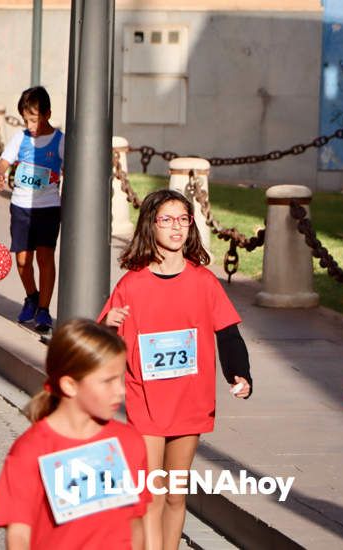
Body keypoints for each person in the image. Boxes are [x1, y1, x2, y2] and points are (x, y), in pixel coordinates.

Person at [98, 189, 253, 550]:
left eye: (183, 219)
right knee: (150, 495)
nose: (176, 227)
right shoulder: (132, 284)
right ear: (150, 226)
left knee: (174, 495)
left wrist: (239, 373)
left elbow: (228, 332)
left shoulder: (203, 282)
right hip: (146, 402)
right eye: (166, 219)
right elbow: (100, 345)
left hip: (190, 401)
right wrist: (107, 323)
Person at [0, 319, 149, 549]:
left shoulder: (129, 442)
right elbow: (18, 535)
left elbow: (136, 523)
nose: (120, 390)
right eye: (108, 381)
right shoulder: (31, 450)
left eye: (121, 379)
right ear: (70, 385)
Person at [0, 86, 63, 333]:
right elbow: (2, 163)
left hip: (48, 207)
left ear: (47, 114)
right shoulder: (20, 138)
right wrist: (0, 174)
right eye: (26, 120)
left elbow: (70, 169)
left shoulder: (59, 141)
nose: (30, 125)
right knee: (23, 260)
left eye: (34, 119)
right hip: (21, 205)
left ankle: (43, 309)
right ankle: (31, 296)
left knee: (45, 257)